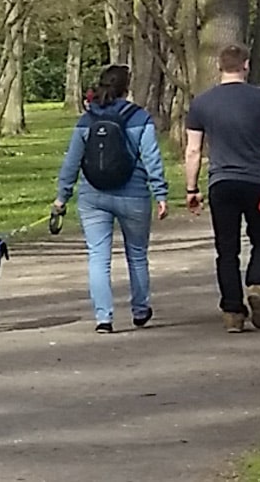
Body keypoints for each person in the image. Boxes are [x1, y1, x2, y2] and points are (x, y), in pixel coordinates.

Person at [184, 44, 260, 333]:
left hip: (221, 182)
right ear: (245, 65)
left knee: (226, 248)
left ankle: (232, 310)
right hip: (257, 181)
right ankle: (259, 283)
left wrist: (191, 188)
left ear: (219, 66)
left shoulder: (202, 103)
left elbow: (193, 150)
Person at [54, 65, 169, 334]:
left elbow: (72, 162)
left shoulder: (87, 120)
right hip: (134, 194)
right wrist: (160, 193)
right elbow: (151, 158)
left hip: (93, 195)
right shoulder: (139, 117)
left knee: (98, 257)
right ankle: (140, 310)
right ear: (126, 87)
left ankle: (103, 317)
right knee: (137, 255)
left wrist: (62, 197)